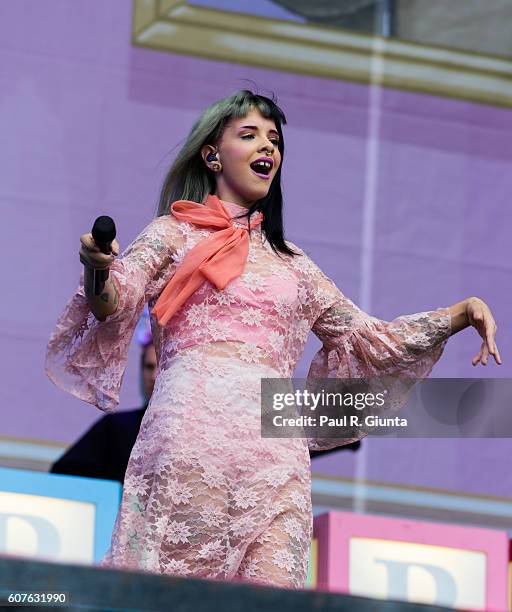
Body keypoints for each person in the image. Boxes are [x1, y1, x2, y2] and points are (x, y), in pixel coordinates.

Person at [45, 90, 500, 589]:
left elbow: (370, 337)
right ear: (212, 154)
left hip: (276, 455)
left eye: (275, 139)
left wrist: (456, 315)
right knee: (178, 596)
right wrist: (96, 270)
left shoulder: (294, 265)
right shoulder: (173, 233)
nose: (269, 146)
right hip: (194, 437)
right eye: (250, 134)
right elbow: (115, 298)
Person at [50, 338, 157, 484]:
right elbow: (63, 472)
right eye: (149, 367)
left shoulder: (195, 432)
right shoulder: (117, 427)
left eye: (163, 367)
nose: (154, 376)